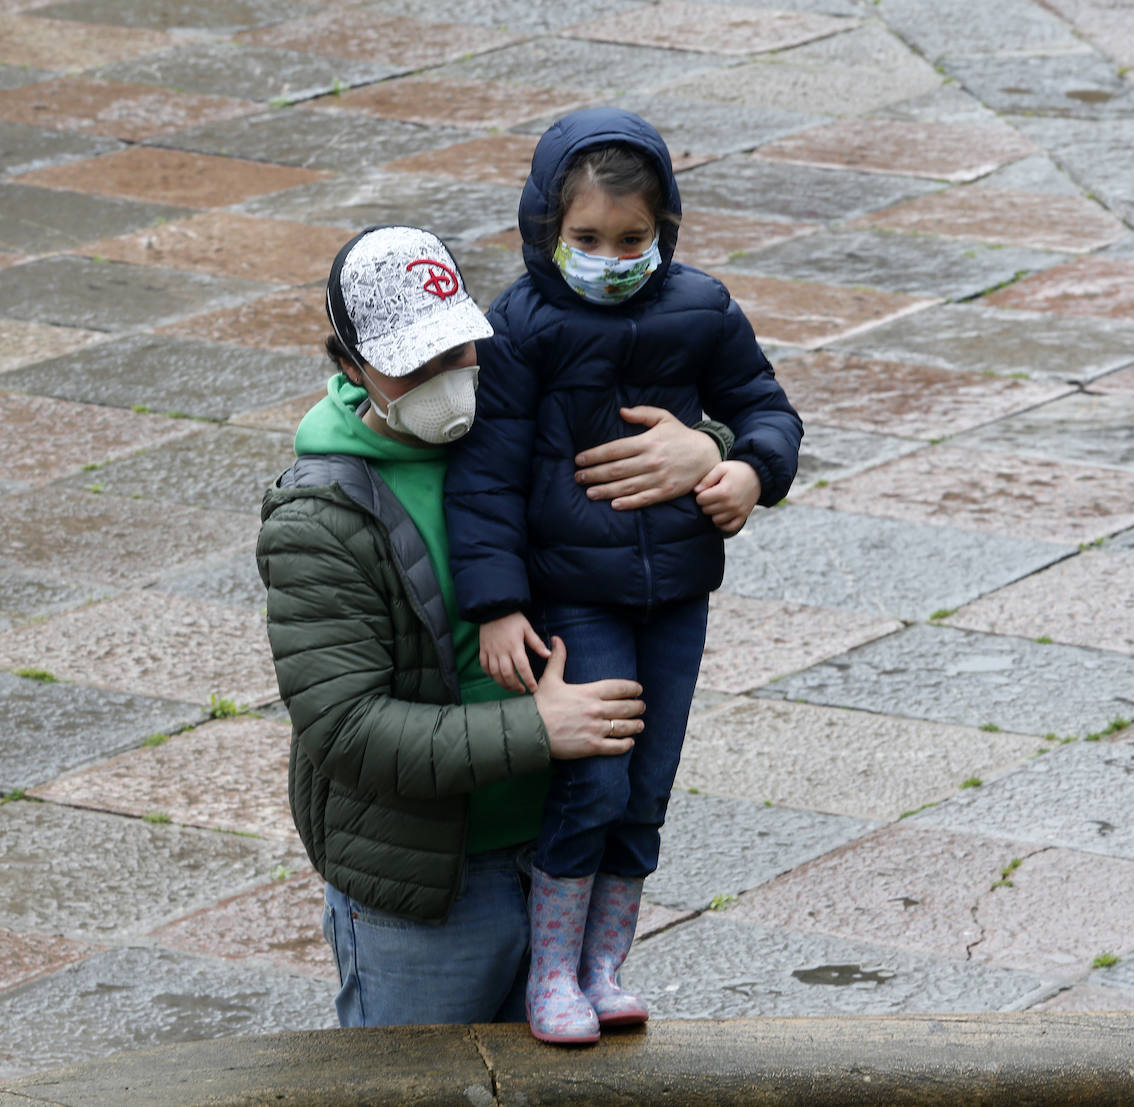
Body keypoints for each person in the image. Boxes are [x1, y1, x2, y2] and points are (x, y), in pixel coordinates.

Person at [255, 223, 736, 1028]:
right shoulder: (319, 519)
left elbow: (663, 444)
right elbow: (345, 730)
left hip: (559, 859)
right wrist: (540, 728)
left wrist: (710, 449)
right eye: (414, 365)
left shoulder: (518, 417)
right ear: (348, 365)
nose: (449, 382)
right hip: (431, 891)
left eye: (458, 352)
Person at [443, 108, 803, 1044]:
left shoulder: (702, 307)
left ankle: (606, 965)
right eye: (588, 239)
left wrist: (747, 470)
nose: (612, 255)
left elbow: (766, 407)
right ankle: (551, 971)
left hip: (676, 592)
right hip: (576, 592)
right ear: (546, 231)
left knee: (647, 784)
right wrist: (497, 602)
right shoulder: (521, 326)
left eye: (633, 239)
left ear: (665, 229)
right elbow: (484, 477)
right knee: (594, 779)